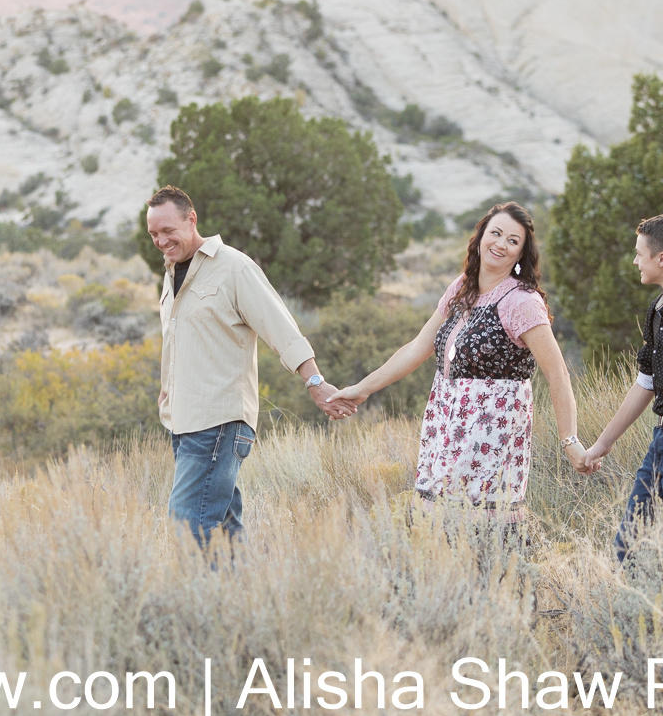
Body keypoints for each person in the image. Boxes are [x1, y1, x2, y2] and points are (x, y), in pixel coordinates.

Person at [328, 202, 589, 523]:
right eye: (495, 233)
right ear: (480, 238)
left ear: (521, 253)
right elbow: (416, 348)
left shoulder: (522, 301)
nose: (501, 244)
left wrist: (570, 441)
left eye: (512, 240)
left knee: (478, 533)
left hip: (490, 437)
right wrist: (361, 388)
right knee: (437, 531)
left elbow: (558, 375)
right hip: (446, 426)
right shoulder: (460, 289)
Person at [145, 185, 356, 546]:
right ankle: (244, 598)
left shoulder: (233, 267)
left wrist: (316, 382)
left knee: (189, 529)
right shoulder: (172, 274)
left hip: (218, 422)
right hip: (182, 423)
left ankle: (204, 602)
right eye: (153, 234)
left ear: (191, 220)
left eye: (168, 231)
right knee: (225, 531)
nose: (161, 241)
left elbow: (281, 328)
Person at [584, 215, 663, 563]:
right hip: (659, 444)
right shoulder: (658, 310)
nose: (634, 261)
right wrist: (601, 445)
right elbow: (646, 382)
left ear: (661, 259)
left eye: (639, 253)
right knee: (629, 548)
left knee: (633, 552)